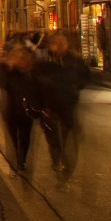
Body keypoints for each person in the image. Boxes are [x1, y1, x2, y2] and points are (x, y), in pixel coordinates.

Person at [32, 32, 89, 172]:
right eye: (55, 43)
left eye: (61, 43)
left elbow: (85, 76)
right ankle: (57, 159)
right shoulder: (44, 59)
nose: (58, 46)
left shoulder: (74, 60)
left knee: (66, 134)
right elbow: (34, 81)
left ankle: (64, 164)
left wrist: (75, 87)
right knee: (52, 137)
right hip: (49, 106)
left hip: (67, 104)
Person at [0, 43, 37, 170]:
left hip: (27, 110)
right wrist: (7, 66)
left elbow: (38, 86)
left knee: (25, 137)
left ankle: (22, 159)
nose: (19, 57)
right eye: (16, 54)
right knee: (13, 137)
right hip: (11, 110)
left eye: (21, 55)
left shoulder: (30, 70)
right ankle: (16, 158)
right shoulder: (8, 70)